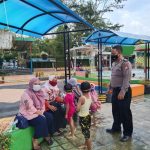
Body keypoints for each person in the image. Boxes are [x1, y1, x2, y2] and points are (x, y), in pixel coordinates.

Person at [106, 45, 133, 142]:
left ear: (119, 53)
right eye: (111, 53)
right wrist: (110, 87)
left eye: (113, 53)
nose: (112, 55)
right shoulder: (114, 63)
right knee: (115, 111)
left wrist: (122, 92)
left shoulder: (125, 63)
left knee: (125, 113)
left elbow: (127, 79)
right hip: (115, 90)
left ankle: (127, 133)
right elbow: (113, 76)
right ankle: (116, 128)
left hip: (123, 91)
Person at [19, 77, 54, 150]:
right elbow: (29, 107)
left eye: (39, 84)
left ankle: (46, 134)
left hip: (38, 112)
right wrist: (40, 113)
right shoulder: (26, 94)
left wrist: (41, 111)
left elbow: (43, 104)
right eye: (35, 84)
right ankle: (35, 139)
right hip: (28, 114)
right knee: (41, 120)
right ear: (31, 84)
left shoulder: (40, 92)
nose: (37, 85)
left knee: (49, 116)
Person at [77, 81, 92, 150]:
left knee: (87, 136)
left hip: (83, 118)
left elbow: (77, 109)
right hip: (88, 116)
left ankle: (89, 148)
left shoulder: (81, 98)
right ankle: (85, 145)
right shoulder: (89, 96)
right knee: (87, 132)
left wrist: (75, 106)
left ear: (80, 89)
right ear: (89, 88)